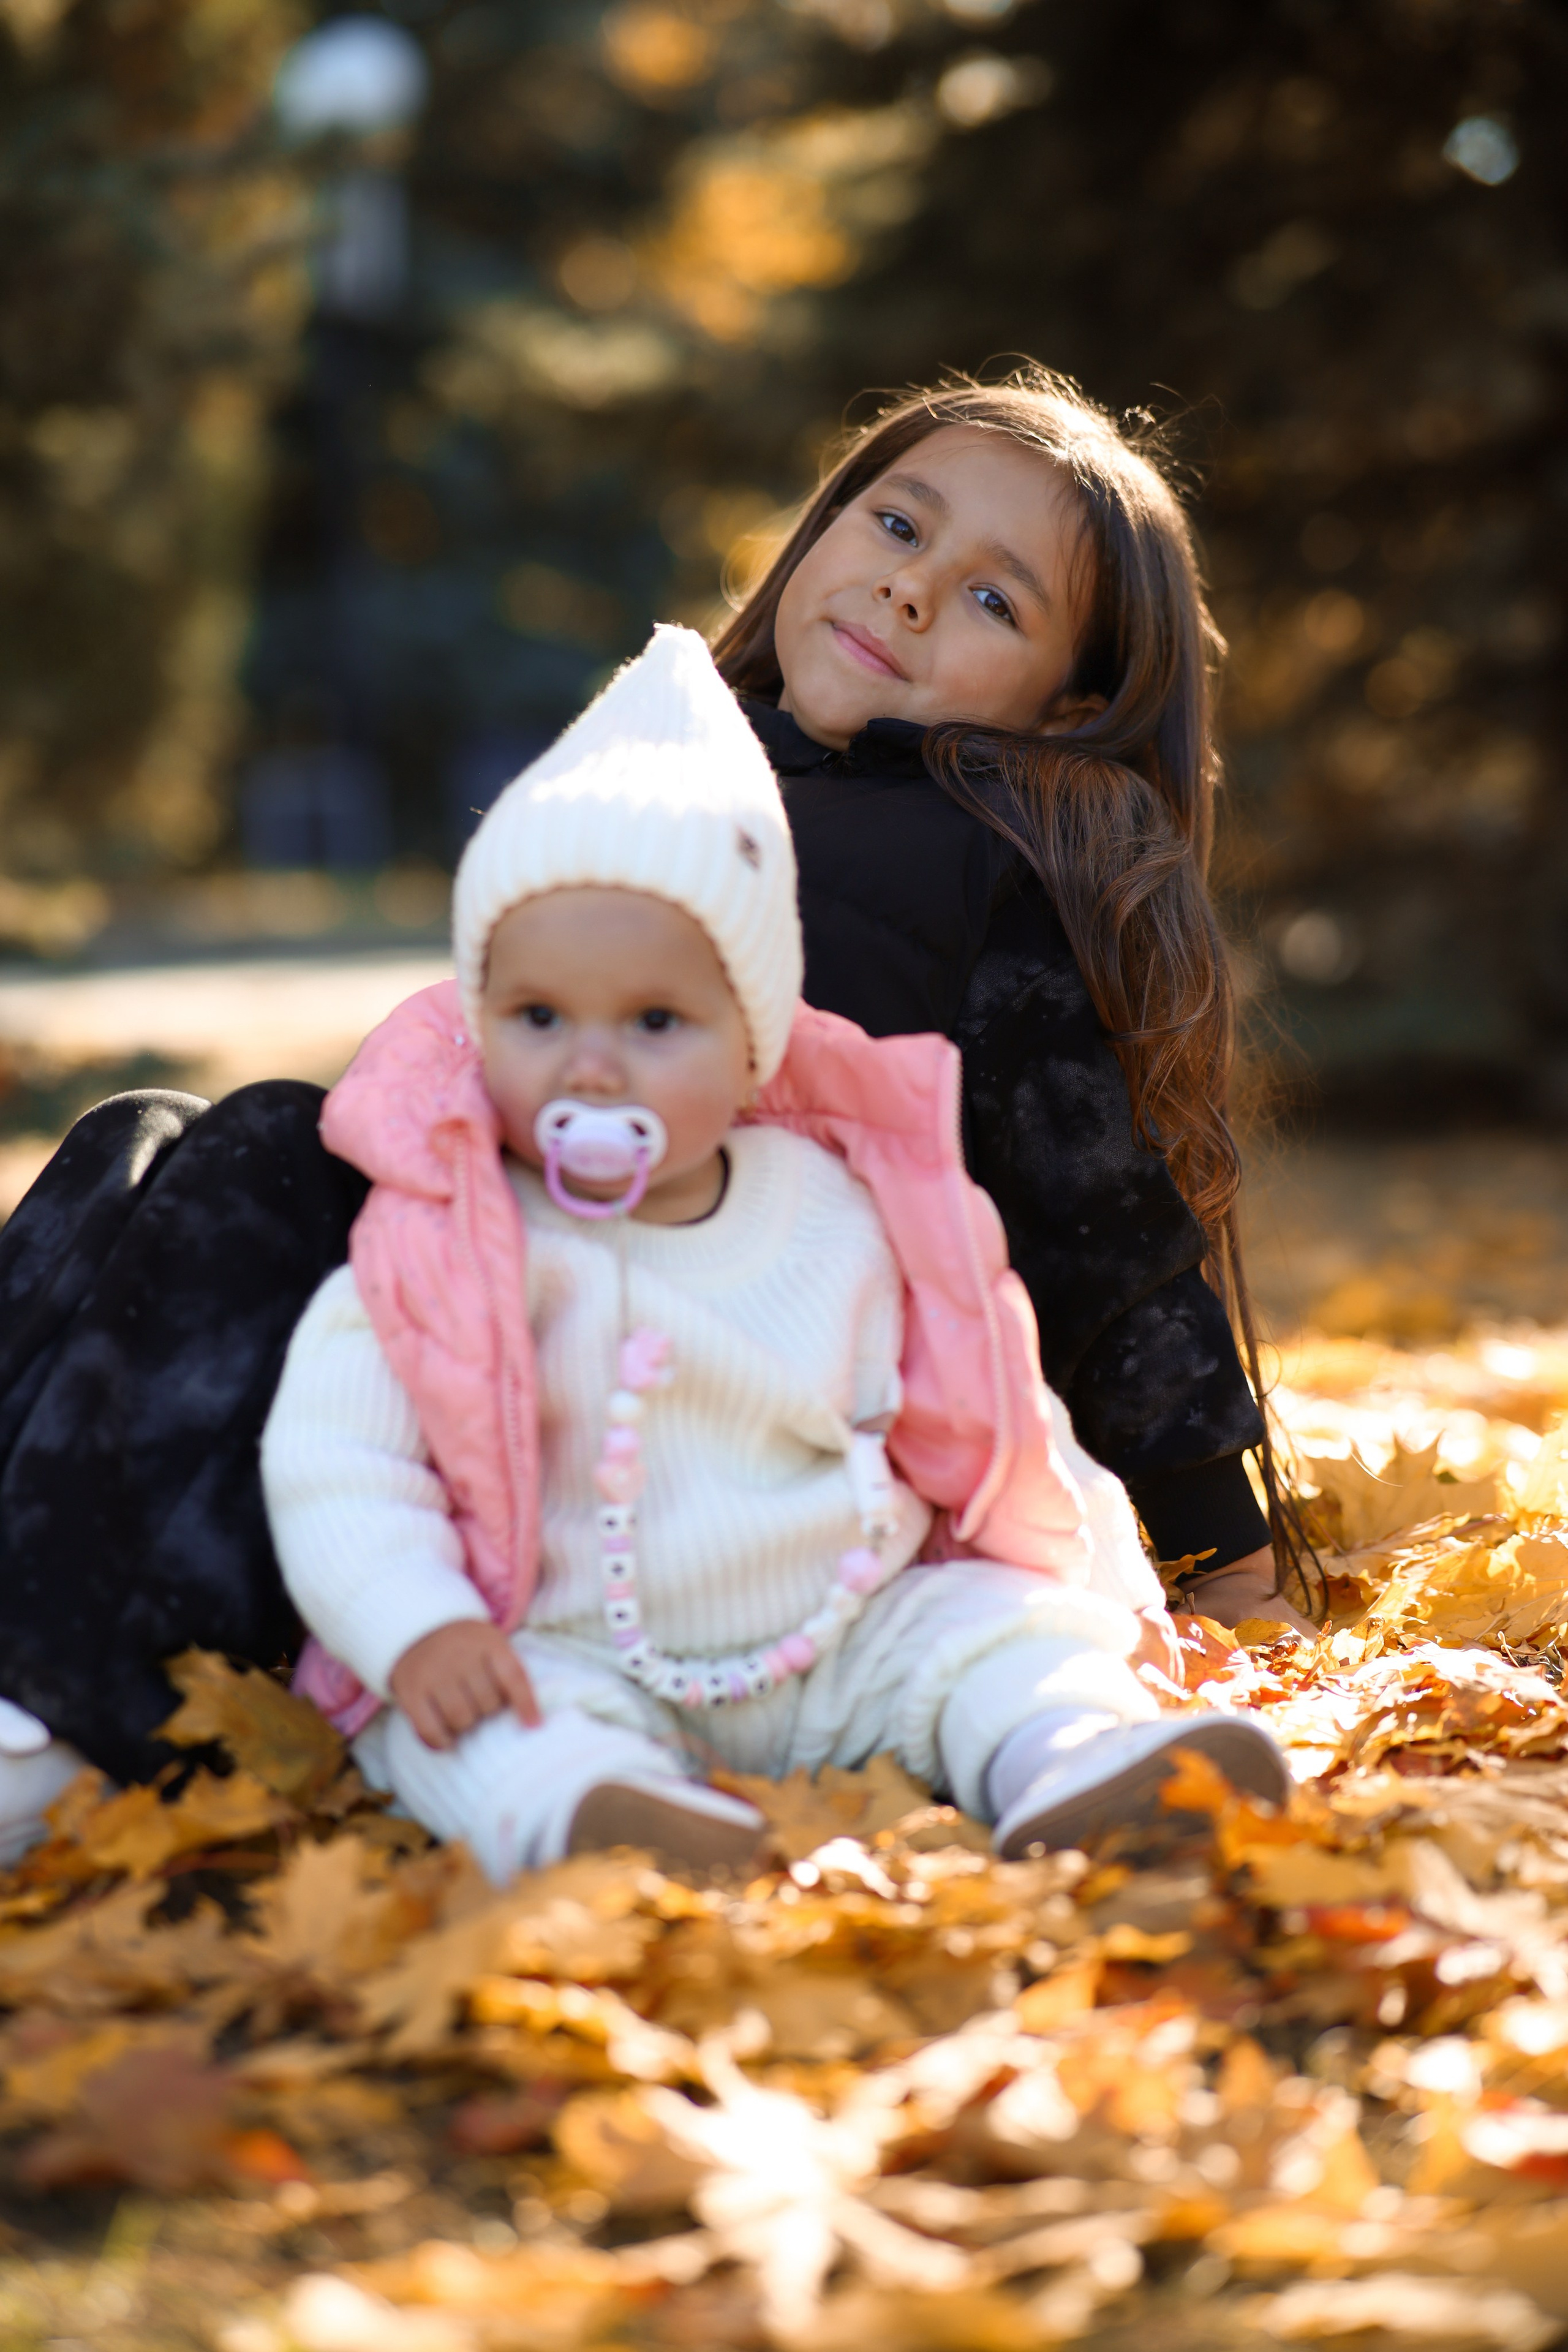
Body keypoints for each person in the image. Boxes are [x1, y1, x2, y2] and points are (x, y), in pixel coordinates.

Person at [258, 625, 1286, 1880]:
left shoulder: (841, 1202)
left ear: (751, 1041)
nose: (590, 1062)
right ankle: (590, 1811)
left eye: (652, 1021)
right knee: (466, 1727)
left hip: (849, 1626)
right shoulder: (448, 1232)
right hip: (575, 1643)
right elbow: (337, 1460)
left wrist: (1102, 1591)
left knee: (991, 1632)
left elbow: (997, 1411)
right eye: (537, 1016)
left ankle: (1071, 1755)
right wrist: (411, 1627)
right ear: (479, 1023)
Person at [712, 368, 1313, 1634]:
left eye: (992, 599)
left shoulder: (976, 868)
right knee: (216, 1146)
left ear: (1069, 708)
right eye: (895, 523)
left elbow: (1098, 1224)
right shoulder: (658, 760)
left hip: (780, 1432)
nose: (910, 586)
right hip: (526, 1316)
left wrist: (1230, 1564)